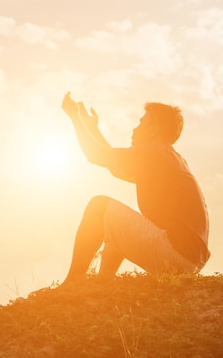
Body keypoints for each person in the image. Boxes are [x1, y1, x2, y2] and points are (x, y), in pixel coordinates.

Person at [59, 91, 210, 287]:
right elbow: (115, 167)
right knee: (114, 221)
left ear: (153, 129)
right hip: (188, 261)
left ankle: (73, 283)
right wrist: (92, 129)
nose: (134, 129)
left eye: (141, 122)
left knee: (98, 206)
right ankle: (103, 283)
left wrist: (75, 118)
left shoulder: (154, 151)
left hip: (174, 253)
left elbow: (96, 156)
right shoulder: (168, 157)